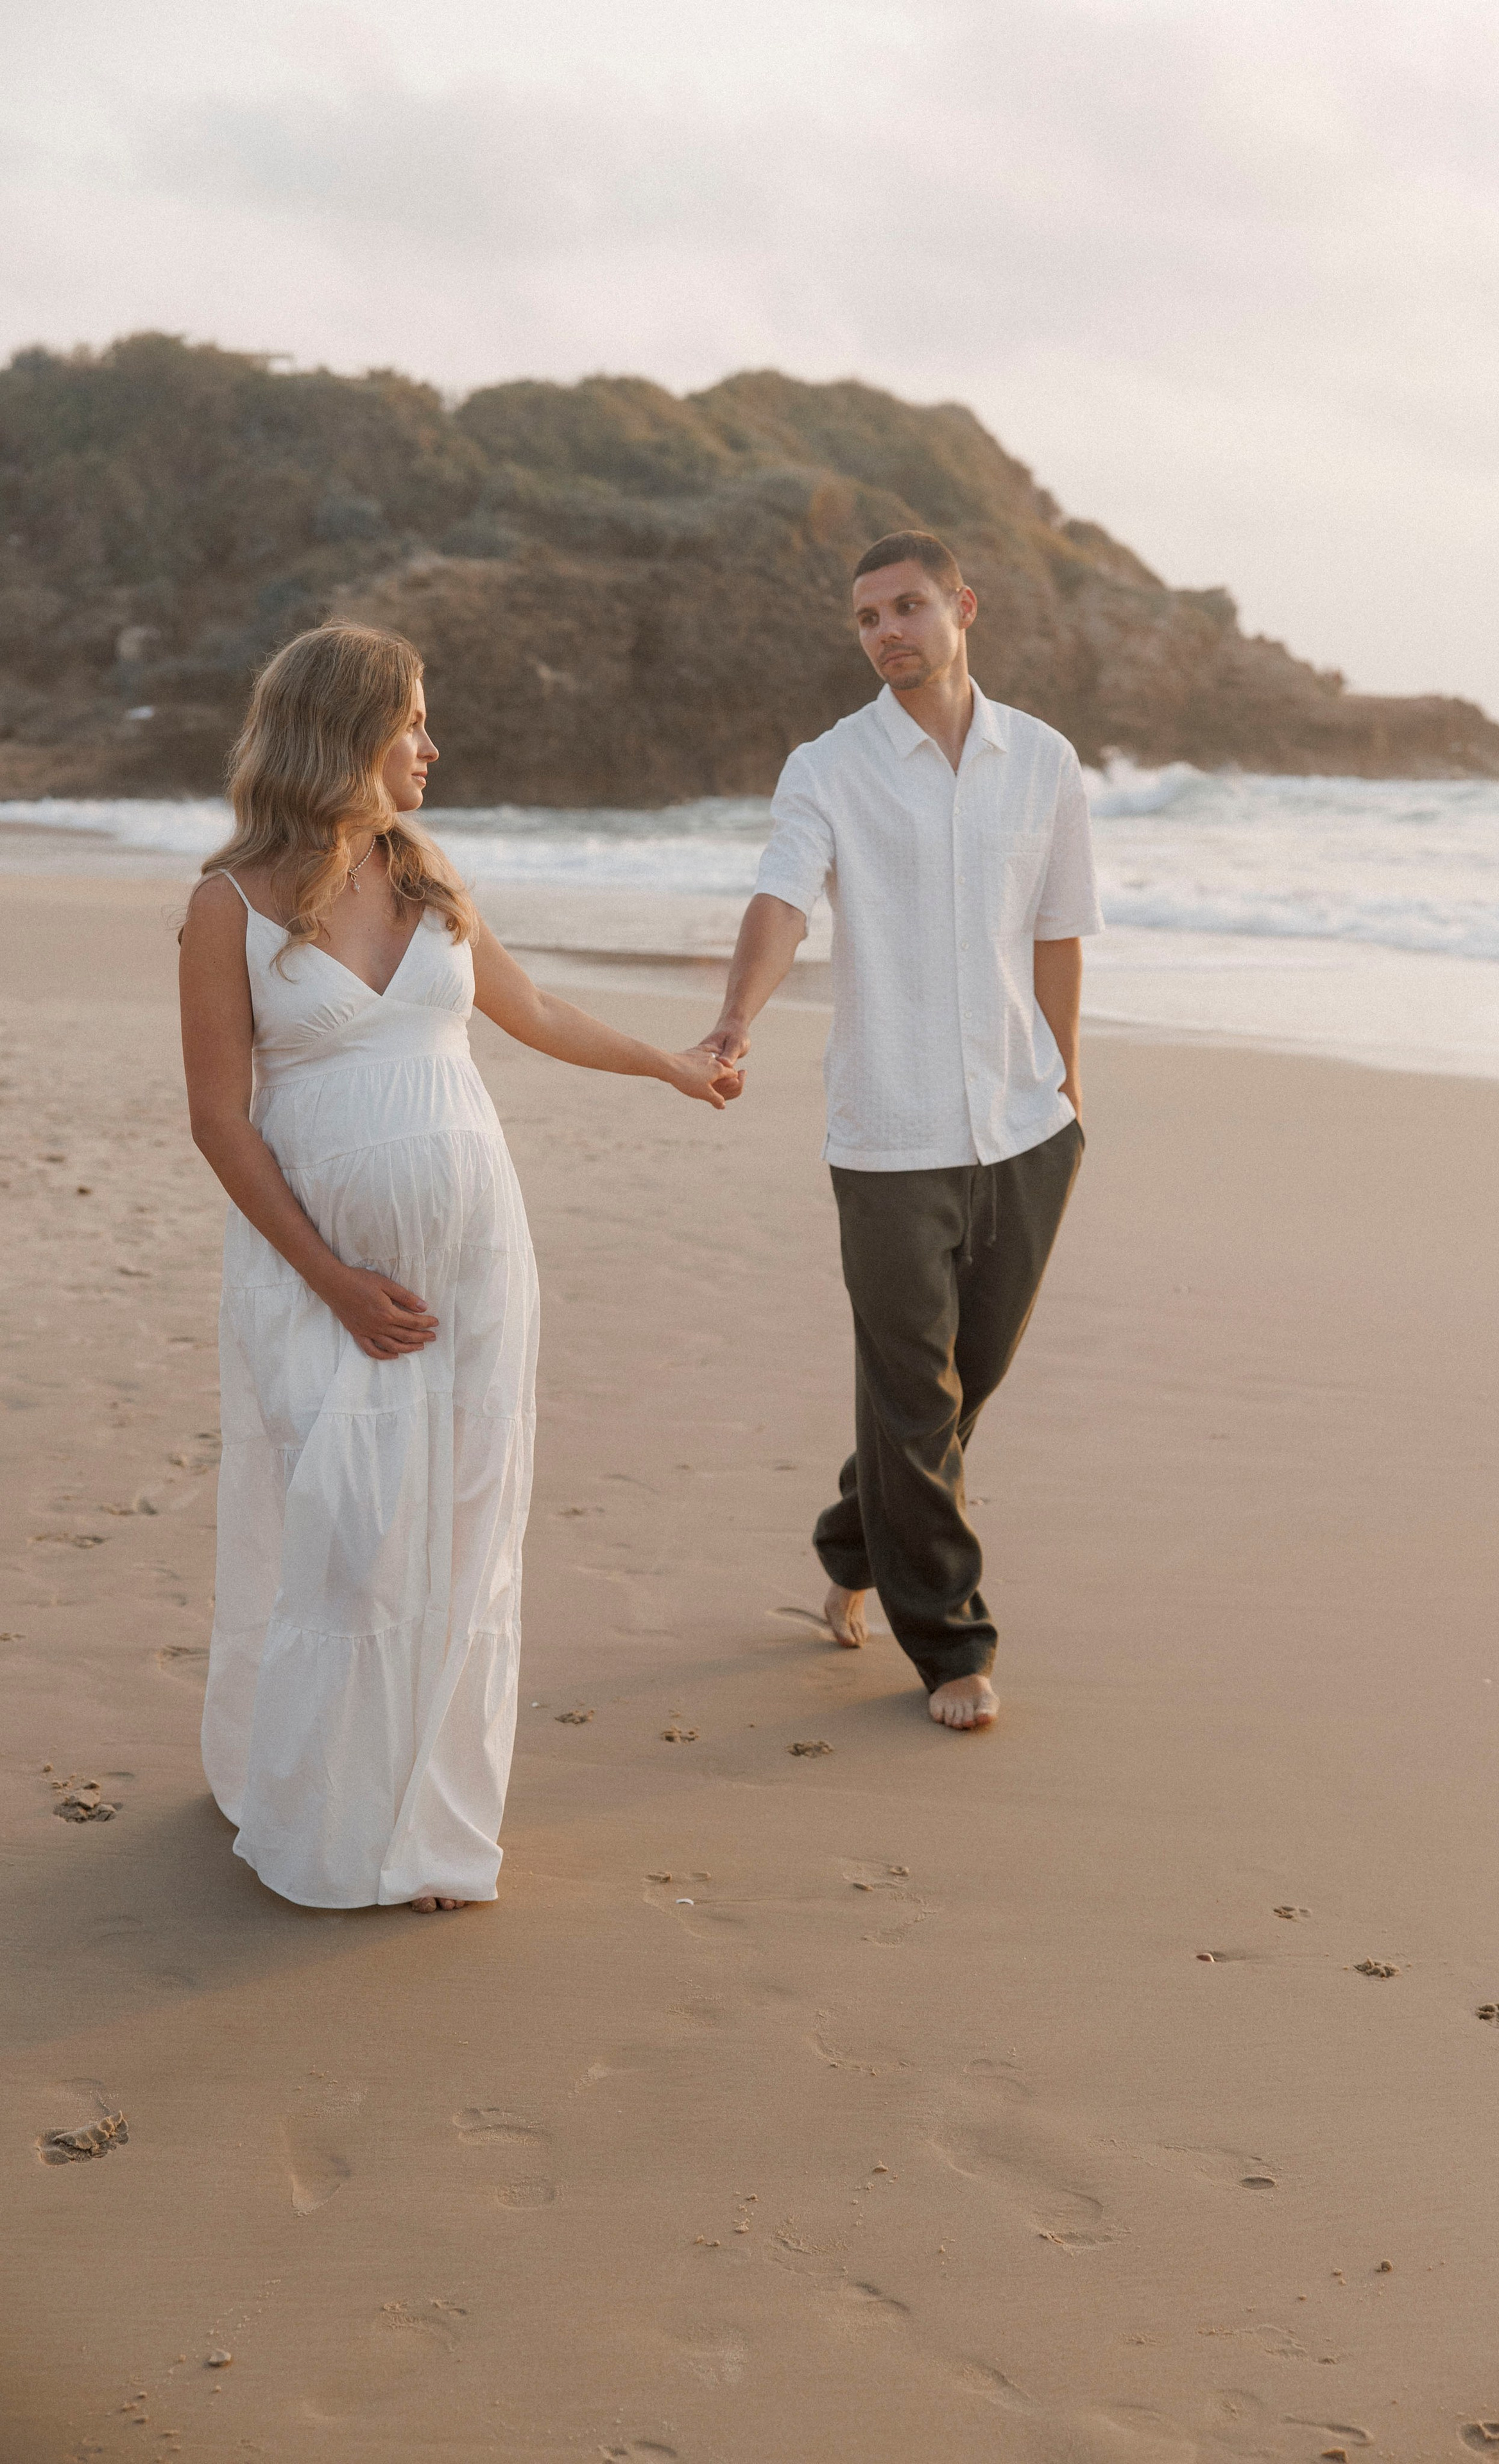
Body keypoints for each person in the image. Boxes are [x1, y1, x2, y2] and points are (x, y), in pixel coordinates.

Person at [179, 622, 737, 1911]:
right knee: (352, 1538)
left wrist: (666, 1061)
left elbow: (530, 1012)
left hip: (476, 1264)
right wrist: (331, 1280)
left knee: (466, 1531)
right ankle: (323, 1813)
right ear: (344, 732)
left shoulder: (428, 876)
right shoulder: (228, 906)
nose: (432, 745)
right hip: (320, 1277)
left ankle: (426, 1827)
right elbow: (219, 1119)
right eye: (413, 722)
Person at [697, 531, 1099, 1730]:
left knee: (966, 1380)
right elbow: (782, 902)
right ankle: (951, 1642)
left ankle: (847, 1536)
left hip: (1026, 1124)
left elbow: (1060, 930)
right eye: (868, 617)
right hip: (889, 1134)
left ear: (963, 607)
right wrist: (732, 1020)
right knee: (913, 1393)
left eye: (908, 607)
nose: (887, 633)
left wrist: (1068, 1089)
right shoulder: (826, 768)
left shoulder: (1045, 760)